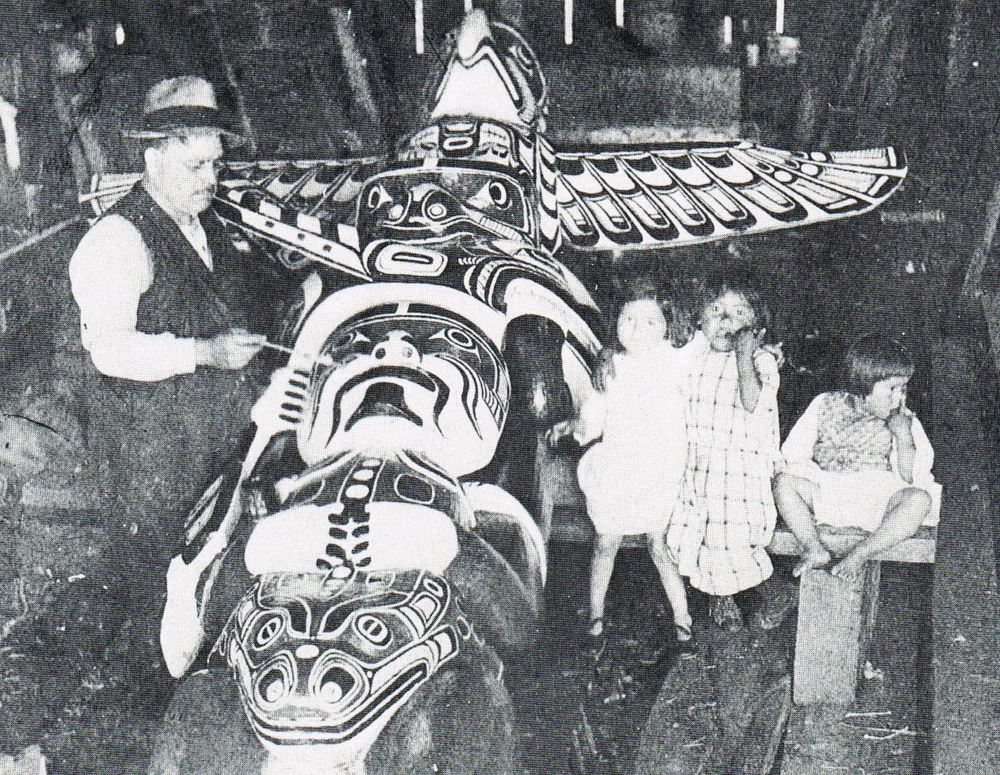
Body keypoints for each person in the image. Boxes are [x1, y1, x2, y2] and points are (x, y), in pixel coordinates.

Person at [64, 75, 285, 676]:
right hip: (149, 463)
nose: (210, 181)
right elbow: (109, 350)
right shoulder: (116, 239)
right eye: (194, 166)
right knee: (146, 607)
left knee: (200, 598)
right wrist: (203, 352)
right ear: (152, 154)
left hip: (213, 452)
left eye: (214, 164)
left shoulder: (209, 227)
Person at [548, 289, 694, 656]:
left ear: (667, 326)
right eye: (629, 319)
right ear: (616, 324)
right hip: (618, 468)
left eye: (650, 321)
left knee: (659, 545)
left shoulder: (679, 361)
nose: (638, 328)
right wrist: (573, 429)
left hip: (659, 471)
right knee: (605, 542)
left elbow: (710, 349)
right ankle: (595, 617)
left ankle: (683, 621)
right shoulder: (611, 369)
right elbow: (592, 420)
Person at [665, 265, 787, 632]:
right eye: (716, 312)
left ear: (755, 325)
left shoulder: (759, 361)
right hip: (699, 461)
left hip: (741, 465)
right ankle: (726, 594)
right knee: (696, 529)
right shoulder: (693, 355)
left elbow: (751, 403)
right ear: (700, 319)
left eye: (738, 314)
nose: (726, 322)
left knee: (731, 530)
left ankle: (742, 594)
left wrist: (744, 356)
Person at [773, 334, 940, 579]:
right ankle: (813, 547)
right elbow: (794, 453)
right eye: (891, 389)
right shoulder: (825, 404)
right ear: (862, 386)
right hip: (828, 492)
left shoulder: (903, 420)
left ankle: (862, 552)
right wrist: (819, 467)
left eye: (903, 389)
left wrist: (904, 438)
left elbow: (910, 477)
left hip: (877, 501)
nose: (899, 398)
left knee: (919, 499)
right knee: (783, 482)